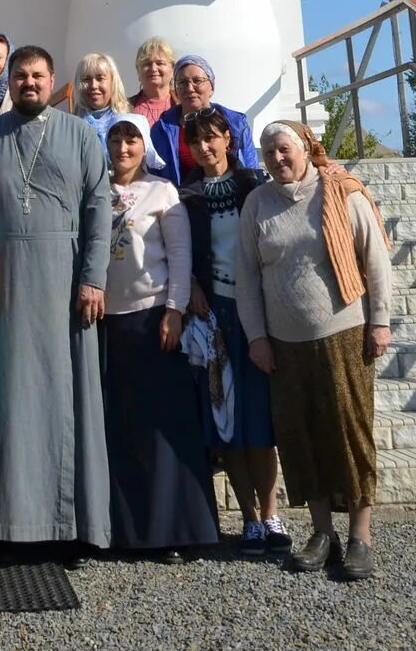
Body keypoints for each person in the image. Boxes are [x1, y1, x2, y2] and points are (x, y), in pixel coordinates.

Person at [0, 44, 112, 550]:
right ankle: (6, 522)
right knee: (7, 401)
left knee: (68, 399)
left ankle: (71, 526)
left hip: (66, 287)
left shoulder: (80, 135)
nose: (29, 83)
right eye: (20, 76)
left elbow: (99, 209)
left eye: (38, 76)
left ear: (52, 81)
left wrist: (93, 279)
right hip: (3, 289)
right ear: (9, 81)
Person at [237, 121, 393, 583]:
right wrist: (257, 337)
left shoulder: (341, 192)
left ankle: (359, 537)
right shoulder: (257, 203)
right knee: (299, 436)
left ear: (304, 148)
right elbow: (247, 277)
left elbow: (375, 260)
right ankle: (321, 532)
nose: (277, 158)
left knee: (350, 432)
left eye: (284, 149)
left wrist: (380, 321)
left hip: (343, 331)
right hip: (284, 342)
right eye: (268, 152)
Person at [101, 115, 219, 560]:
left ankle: (174, 528)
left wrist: (175, 309)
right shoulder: (96, 190)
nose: (123, 147)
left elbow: (180, 253)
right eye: (115, 138)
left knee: (163, 428)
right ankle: (127, 531)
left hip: (154, 319)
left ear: (143, 144)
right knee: (123, 429)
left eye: (131, 138)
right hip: (108, 322)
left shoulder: (162, 191)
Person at [178, 107, 285, 554]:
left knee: (259, 418)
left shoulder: (254, 186)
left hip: (255, 314)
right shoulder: (189, 196)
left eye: (212, 138)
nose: (205, 147)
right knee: (229, 421)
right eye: (197, 141)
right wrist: (194, 286)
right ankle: (248, 519)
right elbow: (183, 252)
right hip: (215, 315)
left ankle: (272, 513)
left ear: (227, 138)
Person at [151, 54, 259, 185]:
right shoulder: (162, 129)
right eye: (182, 82)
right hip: (180, 200)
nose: (190, 88)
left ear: (212, 87)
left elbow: (251, 168)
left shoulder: (235, 124)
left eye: (197, 81)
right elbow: (155, 175)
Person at [72, 51, 130, 147]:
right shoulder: (72, 124)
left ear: (113, 82)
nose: (94, 86)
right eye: (87, 79)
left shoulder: (128, 119)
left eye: (100, 78)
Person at [127, 36, 176, 125]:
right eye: (147, 64)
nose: (153, 69)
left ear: (172, 70)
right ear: (138, 71)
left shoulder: (184, 105)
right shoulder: (124, 108)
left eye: (160, 63)